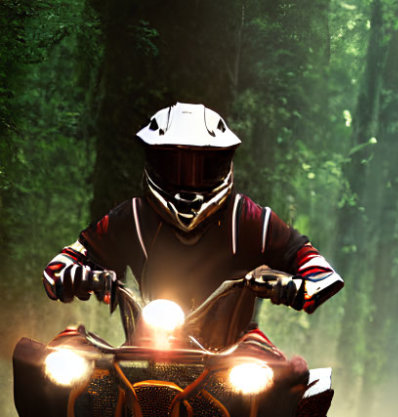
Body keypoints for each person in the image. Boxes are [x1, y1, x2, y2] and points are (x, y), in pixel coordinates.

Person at [43, 101, 343, 349]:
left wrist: (297, 286)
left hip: (235, 358)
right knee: (64, 354)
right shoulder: (133, 217)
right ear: (153, 163)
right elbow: (61, 264)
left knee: (296, 382)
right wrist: (75, 275)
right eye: (173, 166)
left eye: (204, 167)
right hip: (142, 352)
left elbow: (317, 267)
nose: (189, 181)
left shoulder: (249, 218)